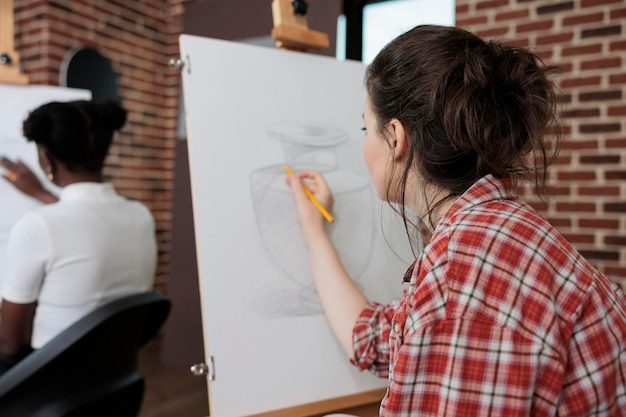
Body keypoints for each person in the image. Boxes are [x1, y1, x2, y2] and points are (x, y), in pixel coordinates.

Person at [286, 25, 626, 416]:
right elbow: (377, 339)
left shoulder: (463, 276)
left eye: (366, 128)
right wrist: (315, 233)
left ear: (395, 138)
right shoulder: (498, 228)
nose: (364, 142)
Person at [0, 100, 157, 373]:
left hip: (48, 385)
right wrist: (40, 194)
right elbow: (87, 222)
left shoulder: (38, 226)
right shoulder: (141, 215)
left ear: (46, 159)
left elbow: (10, 345)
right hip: (110, 381)